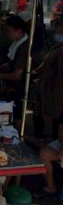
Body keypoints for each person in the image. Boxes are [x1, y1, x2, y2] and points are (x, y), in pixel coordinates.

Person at [37, 18, 63, 193]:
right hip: (54, 100)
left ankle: (53, 186)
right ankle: (52, 184)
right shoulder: (56, 50)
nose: (56, 33)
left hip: (57, 99)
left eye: (59, 30)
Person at [0, 15, 29, 125]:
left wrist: (0, 76)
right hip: (14, 85)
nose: (7, 34)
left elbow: (17, 75)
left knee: (16, 113)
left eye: (9, 31)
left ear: (19, 31)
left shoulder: (23, 47)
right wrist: (8, 64)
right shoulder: (18, 40)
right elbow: (14, 59)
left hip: (20, 86)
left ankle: (14, 133)